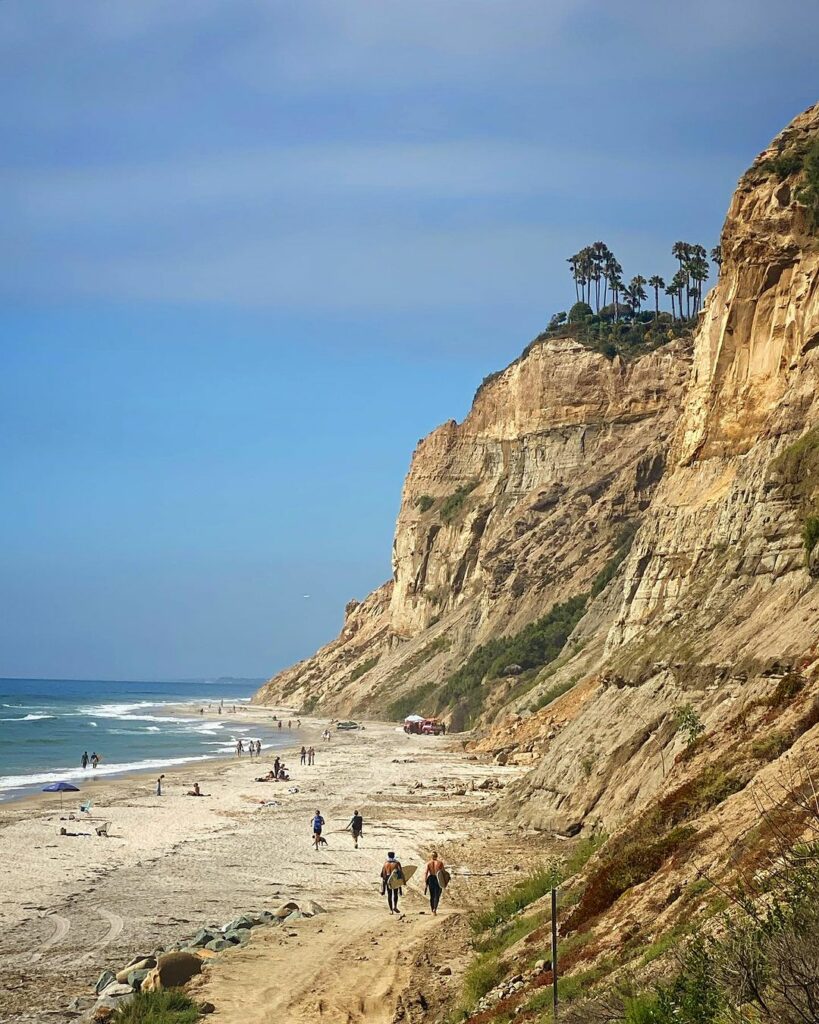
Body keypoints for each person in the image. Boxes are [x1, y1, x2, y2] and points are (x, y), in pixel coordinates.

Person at [424, 850, 446, 915]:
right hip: (437, 878)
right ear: (437, 856)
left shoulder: (429, 863)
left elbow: (426, 873)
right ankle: (435, 909)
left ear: (431, 856)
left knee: (432, 895)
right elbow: (443, 872)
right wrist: (445, 881)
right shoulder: (440, 863)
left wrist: (425, 882)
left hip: (431, 878)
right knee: (437, 895)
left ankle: (432, 909)